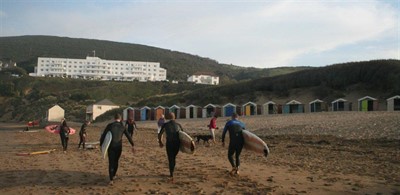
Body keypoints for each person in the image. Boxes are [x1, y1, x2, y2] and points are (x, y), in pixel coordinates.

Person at [100, 113, 135, 185]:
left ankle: (111, 180)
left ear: (114, 118)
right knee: (116, 161)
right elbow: (129, 136)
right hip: (118, 147)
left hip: (111, 146)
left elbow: (103, 135)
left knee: (111, 162)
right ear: (120, 118)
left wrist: (101, 145)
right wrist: (133, 145)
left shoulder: (109, 126)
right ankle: (114, 175)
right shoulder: (122, 126)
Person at [158, 112, 182, 182]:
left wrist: (160, 142)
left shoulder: (165, 125)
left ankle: (171, 173)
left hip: (169, 143)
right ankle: (172, 170)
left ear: (168, 117)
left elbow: (160, 134)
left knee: (170, 158)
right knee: (173, 157)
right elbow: (183, 135)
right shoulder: (178, 125)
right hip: (177, 144)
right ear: (174, 117)